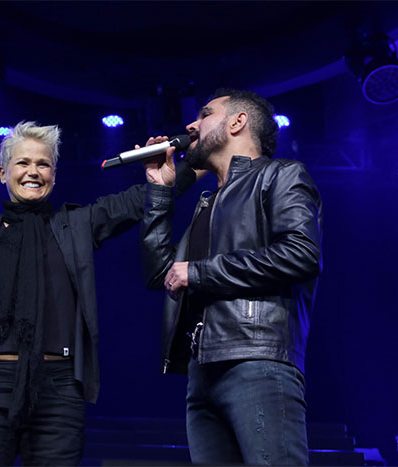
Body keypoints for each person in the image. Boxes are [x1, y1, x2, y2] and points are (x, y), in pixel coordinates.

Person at [0, 44, 195, 465]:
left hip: (58, 389)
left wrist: (200, 158)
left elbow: (141, 199)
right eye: (22, 163)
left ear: (54, 176)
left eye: (43, 164)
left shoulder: (77, 225)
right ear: (3, 173)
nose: (33, 171)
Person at [141, 88, 322, 465]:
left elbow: (301, 255)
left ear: (237, 122)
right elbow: (163, 273)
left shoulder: (280, 175)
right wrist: (160, 193)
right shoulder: (207, 203)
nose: (192, 124)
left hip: (256, 358)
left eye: (205, 114)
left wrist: (200, 272)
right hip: (202, 371)